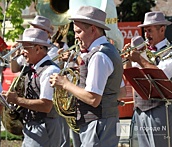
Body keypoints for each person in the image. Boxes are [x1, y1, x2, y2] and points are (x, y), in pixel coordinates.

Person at [50, 6, 123, 147]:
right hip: (104, 121)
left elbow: (93, 98)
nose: (76, 37)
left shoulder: (99, 56)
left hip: (98, 124)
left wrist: (65, 84)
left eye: (78, 32)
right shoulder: (108, 50)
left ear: (93, 29)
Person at [2, 28, 62, 147]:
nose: (22, 52)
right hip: (32, 125)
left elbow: (46, 105)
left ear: (38, 48)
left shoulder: (50, 70)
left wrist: (17, 100)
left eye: (25, 48)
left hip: (43, 127)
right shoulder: (31, 67)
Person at [125, 11, 172, 147]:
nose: (146, 35)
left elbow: (160, 74)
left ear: (162, 29)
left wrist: (139, 58)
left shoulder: (169, 52)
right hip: (140, 109)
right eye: (145, 31)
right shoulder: (143, 50)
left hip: (160, 110)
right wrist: (128, 59)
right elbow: (130, 76)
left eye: (150, 31)